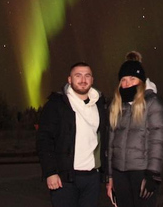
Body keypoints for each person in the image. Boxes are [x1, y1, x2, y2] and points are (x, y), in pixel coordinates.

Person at [37, 62, 109, 207]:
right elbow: (44, 139)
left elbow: (104, 138)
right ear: (69, 79)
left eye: (87, 75)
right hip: (64, 178)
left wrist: (106, 173)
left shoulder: (99, 104)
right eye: (78, 75)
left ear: (92, 80)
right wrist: (50, 172)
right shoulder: (57, 104)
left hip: (92, 178)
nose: (83, 80)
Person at [106, 51, 163, 206]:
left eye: (132, 79)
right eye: (124, 80)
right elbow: (111, 142)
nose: (127, 84)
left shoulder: (152, 103)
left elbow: (158, 140)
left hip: (142, 173)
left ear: (141, 81)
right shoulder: (117, 106)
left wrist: (153, 174)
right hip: (119, 173)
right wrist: (110, 177)